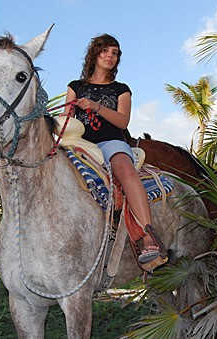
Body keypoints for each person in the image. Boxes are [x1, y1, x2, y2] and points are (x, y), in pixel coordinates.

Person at [62, 34, 164, 269]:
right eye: (105, 51)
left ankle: (149, 236)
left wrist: (95, 106)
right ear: (95, 54)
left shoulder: (121, 89)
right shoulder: (75, 87)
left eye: (115, 52)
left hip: (111, 142)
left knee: (126, 171)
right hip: (80, 144)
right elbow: (67, 120)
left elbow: (122, 121)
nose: (110, 56)